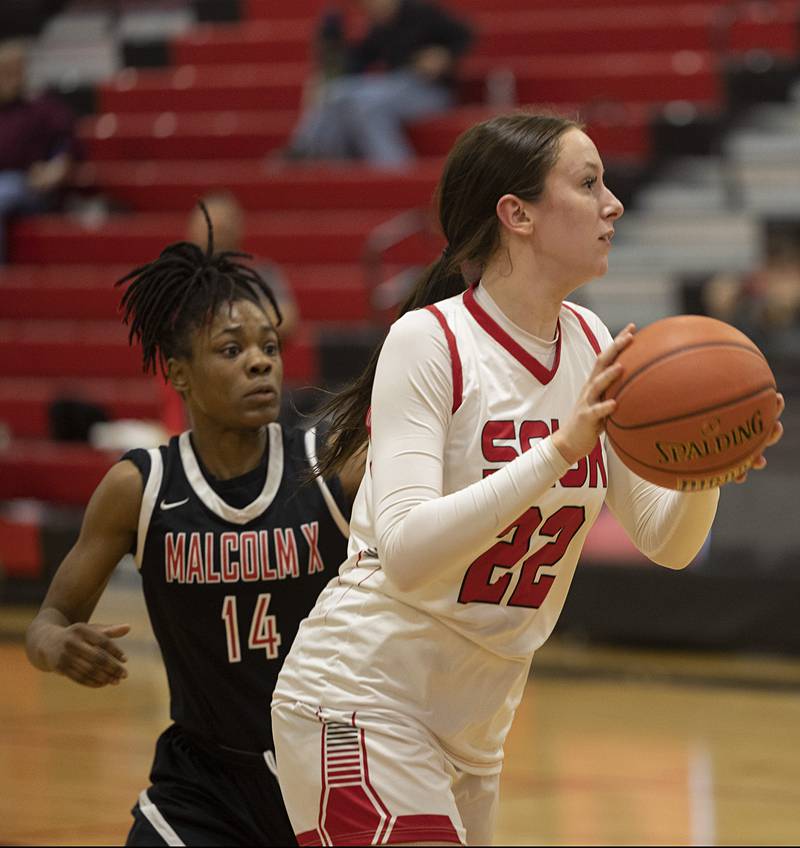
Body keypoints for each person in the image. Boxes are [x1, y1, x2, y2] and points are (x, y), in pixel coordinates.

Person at [270, 113, 785, 846]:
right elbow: (410, 554)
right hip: (364, 697)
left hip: (477, 724)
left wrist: (708, 466)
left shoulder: (594, 343)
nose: (614, 204)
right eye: (588, 183)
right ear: (516, 215)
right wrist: (552, 454)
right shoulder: (431, 341)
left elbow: (664, 543)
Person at [25, 206, 365, 846]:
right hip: (202, 782)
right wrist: (58, 647)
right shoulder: (140, 487)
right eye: (231, 350)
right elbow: (48, 620)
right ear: (177, 372)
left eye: (268, 347)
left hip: (328, 770)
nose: (260, 363)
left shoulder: (330, 465)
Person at [285, 0, 472, 166]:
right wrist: (323, 77)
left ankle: (395, 169)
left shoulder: (421, 12)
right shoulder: (379, 27)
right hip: (397, 89)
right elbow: (357, 60)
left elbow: (464, 34)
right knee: (336, 93)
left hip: (431, 91)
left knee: (365, 105)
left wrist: (443, 55)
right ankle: (310, 153)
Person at [0, 39, 77, 263]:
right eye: (5, 71)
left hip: (26, 183)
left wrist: (58, 165)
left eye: (16, 70)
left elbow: (67, 141)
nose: (11, 77)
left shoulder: (42, 107)